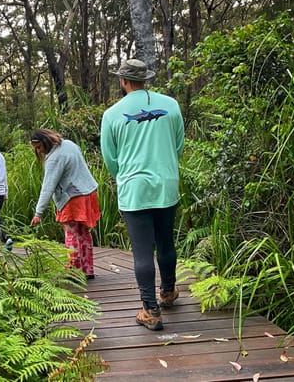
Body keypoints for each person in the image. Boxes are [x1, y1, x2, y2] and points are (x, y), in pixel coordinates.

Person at [100, 59, 185, 331]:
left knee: (141, 253)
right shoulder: (171, 105)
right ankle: (168, 292)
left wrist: (125, 173)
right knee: (166, 242)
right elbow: (179, 146)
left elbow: (110, 159)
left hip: (134, 190)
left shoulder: (112, 114)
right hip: (166, 185)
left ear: (123, 81)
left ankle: (150, 310)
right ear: (145, 79)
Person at [29, 129, 100, 279]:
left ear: (45, 142)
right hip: (88, 192)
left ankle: (72, 272)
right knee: (83, 233)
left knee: (72, 234)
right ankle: (87, 269)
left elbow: (48, 186)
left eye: (38, 147)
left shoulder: (55, 158)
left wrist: (38, 213)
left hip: (72, 198)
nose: (38, 151)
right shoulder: (69, 144)